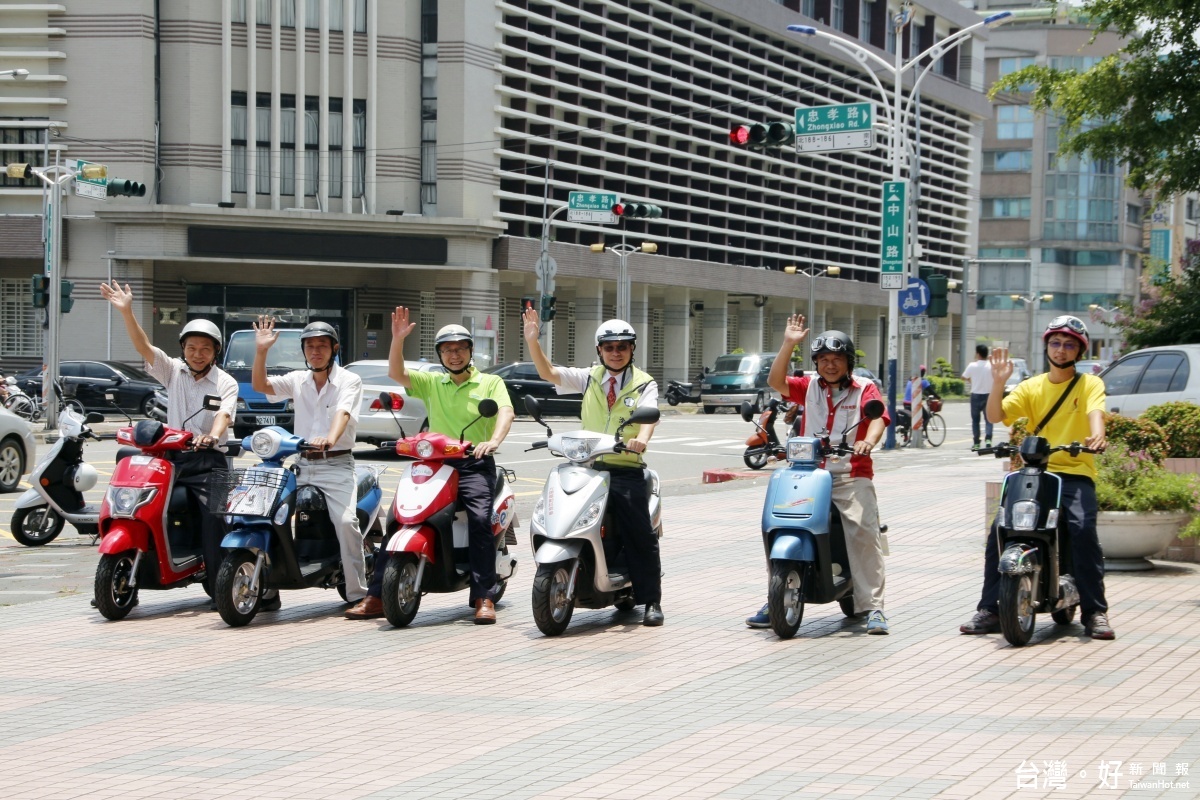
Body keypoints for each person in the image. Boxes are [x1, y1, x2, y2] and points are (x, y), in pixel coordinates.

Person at [346, 309, 515, 624]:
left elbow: (505, 412)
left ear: (470, 351)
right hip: (434, 462)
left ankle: (483, 596)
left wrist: (492, 440)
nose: (454, 354)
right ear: (440, 354)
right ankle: (376, 595)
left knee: (479, 519)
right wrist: (397, 340)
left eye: (460, 348)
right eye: (447, 350)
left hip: (472, 462)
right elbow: (397, 374)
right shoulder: (432, 382)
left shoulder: (490, 382)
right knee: (399, 515)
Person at [959, 315, 1114, 639]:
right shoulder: (1031, 387)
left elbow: (1095, 413)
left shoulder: (1089, 384)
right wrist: (999, 381)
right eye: (1055, 343)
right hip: (1036, 473)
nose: (1061, 350)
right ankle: (990, 609)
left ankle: (1095, 612)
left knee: (1083, 529)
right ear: (1047, 347)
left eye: (1069, 344)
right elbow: (995, 416)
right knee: (999, 530)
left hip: (1074, 473)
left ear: (1079, 351)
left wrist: (1096, 436)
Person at [746, 315, 891, 634]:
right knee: (779, 523)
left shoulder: (865, 388)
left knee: (863, 533)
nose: (829, 365)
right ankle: (776, 596)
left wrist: (868, 440)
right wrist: (788, 344)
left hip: (851, 473)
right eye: (823, 359)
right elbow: (776, 383)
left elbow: (879, 417)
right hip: (808, 471)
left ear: (848, 362)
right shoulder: (808, 386)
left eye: (836, 359)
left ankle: (873, 608)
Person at [99, 281, 239, 607]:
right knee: (141, 507)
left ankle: (221, 590)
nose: (197, 353)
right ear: (183, 349)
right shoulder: (174, 371)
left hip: (210, 463)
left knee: (212, 520)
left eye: (205, 348)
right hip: (173, 460)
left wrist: (211, 437)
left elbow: (223, 417)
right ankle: (125, 575)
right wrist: (126, 311)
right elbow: (143, 346)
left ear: (215, 351)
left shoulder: (225, 382)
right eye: (191, 348)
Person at [521, 309, 665, 627]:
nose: (616, 353)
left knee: (638, 531)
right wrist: (533, 341)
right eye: (609, 347)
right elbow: (549, 373)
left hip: (625, 468)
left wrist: (641, 439)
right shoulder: (589, 377)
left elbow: (650, 416)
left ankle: (651, 599)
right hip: (589, 465)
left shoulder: (644, 383)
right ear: (599, 350)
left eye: (622, 347)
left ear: (632, 350)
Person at [252, 317, 366, 610]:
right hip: (301, 464)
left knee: (345, 523)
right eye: (310, 346)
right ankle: (266, 588)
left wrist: (329, 438)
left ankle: (358, 594)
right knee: (265, 513)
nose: (316, 351)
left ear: (334, 349)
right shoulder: (297, 380)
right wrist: (262, 350)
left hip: (336, 465)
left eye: (322, 346)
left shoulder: (348, 380)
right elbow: (260, 384)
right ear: (304, 350)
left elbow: (343, 413)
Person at [962, 344, 994, 451]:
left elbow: (963, 377)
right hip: (988, 395)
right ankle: (988, 439)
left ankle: (976, 443)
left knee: (976, 420)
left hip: (975, 395)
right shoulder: (991, 366)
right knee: (989, 419)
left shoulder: (972, 365)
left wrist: (971, 381)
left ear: (978, 354)